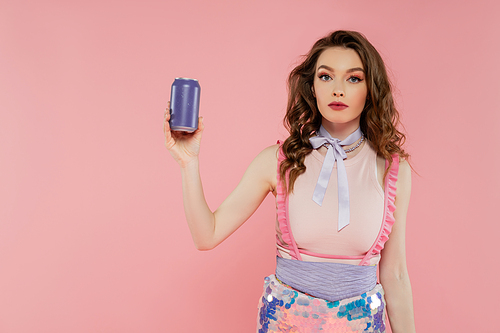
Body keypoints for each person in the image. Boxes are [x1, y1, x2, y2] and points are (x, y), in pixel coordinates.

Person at [164, 30, 416, 333]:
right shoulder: (277, 160)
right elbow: (207, 236)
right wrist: (188, 162)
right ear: (311, 87)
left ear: (371, 88)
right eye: (326, 77)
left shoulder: (393, 169)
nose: (338, 90)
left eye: (353, 78)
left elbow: (396, 274)